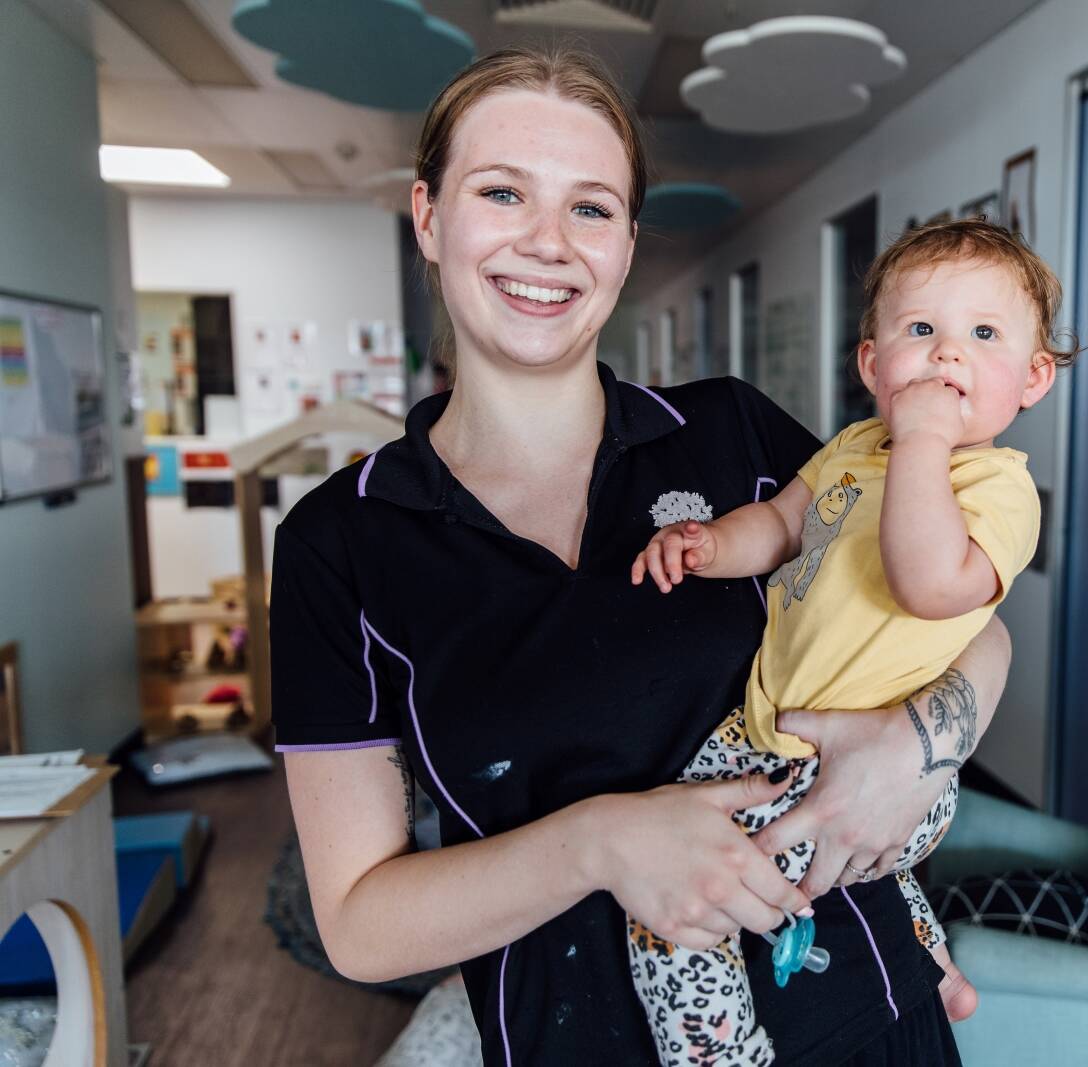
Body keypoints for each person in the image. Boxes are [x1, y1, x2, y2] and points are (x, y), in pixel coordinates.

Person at [271, 46, 1016, 1066]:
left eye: (591, 207)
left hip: (869, 1017)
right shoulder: (340, 541)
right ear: (430, 217)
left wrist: (914, 751)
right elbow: (360, 924)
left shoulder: (736, 437)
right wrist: (599, 842)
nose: (548, 242)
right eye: (502, 192)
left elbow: (969, 620)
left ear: (625, 245)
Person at [629, 218, 1074, 1064]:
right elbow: (781, 523)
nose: (947, 354)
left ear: (1033, 377)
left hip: (867, 755)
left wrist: (925, 441)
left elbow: (926, 583)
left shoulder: (999, 489)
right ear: (873, 365)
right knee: (808, 861)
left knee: (678, 900)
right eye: (921, 329)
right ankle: (932, 958)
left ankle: (720, 1054)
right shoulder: (854, 448)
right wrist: (710, 543)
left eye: (984, 334)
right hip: (775, 732)